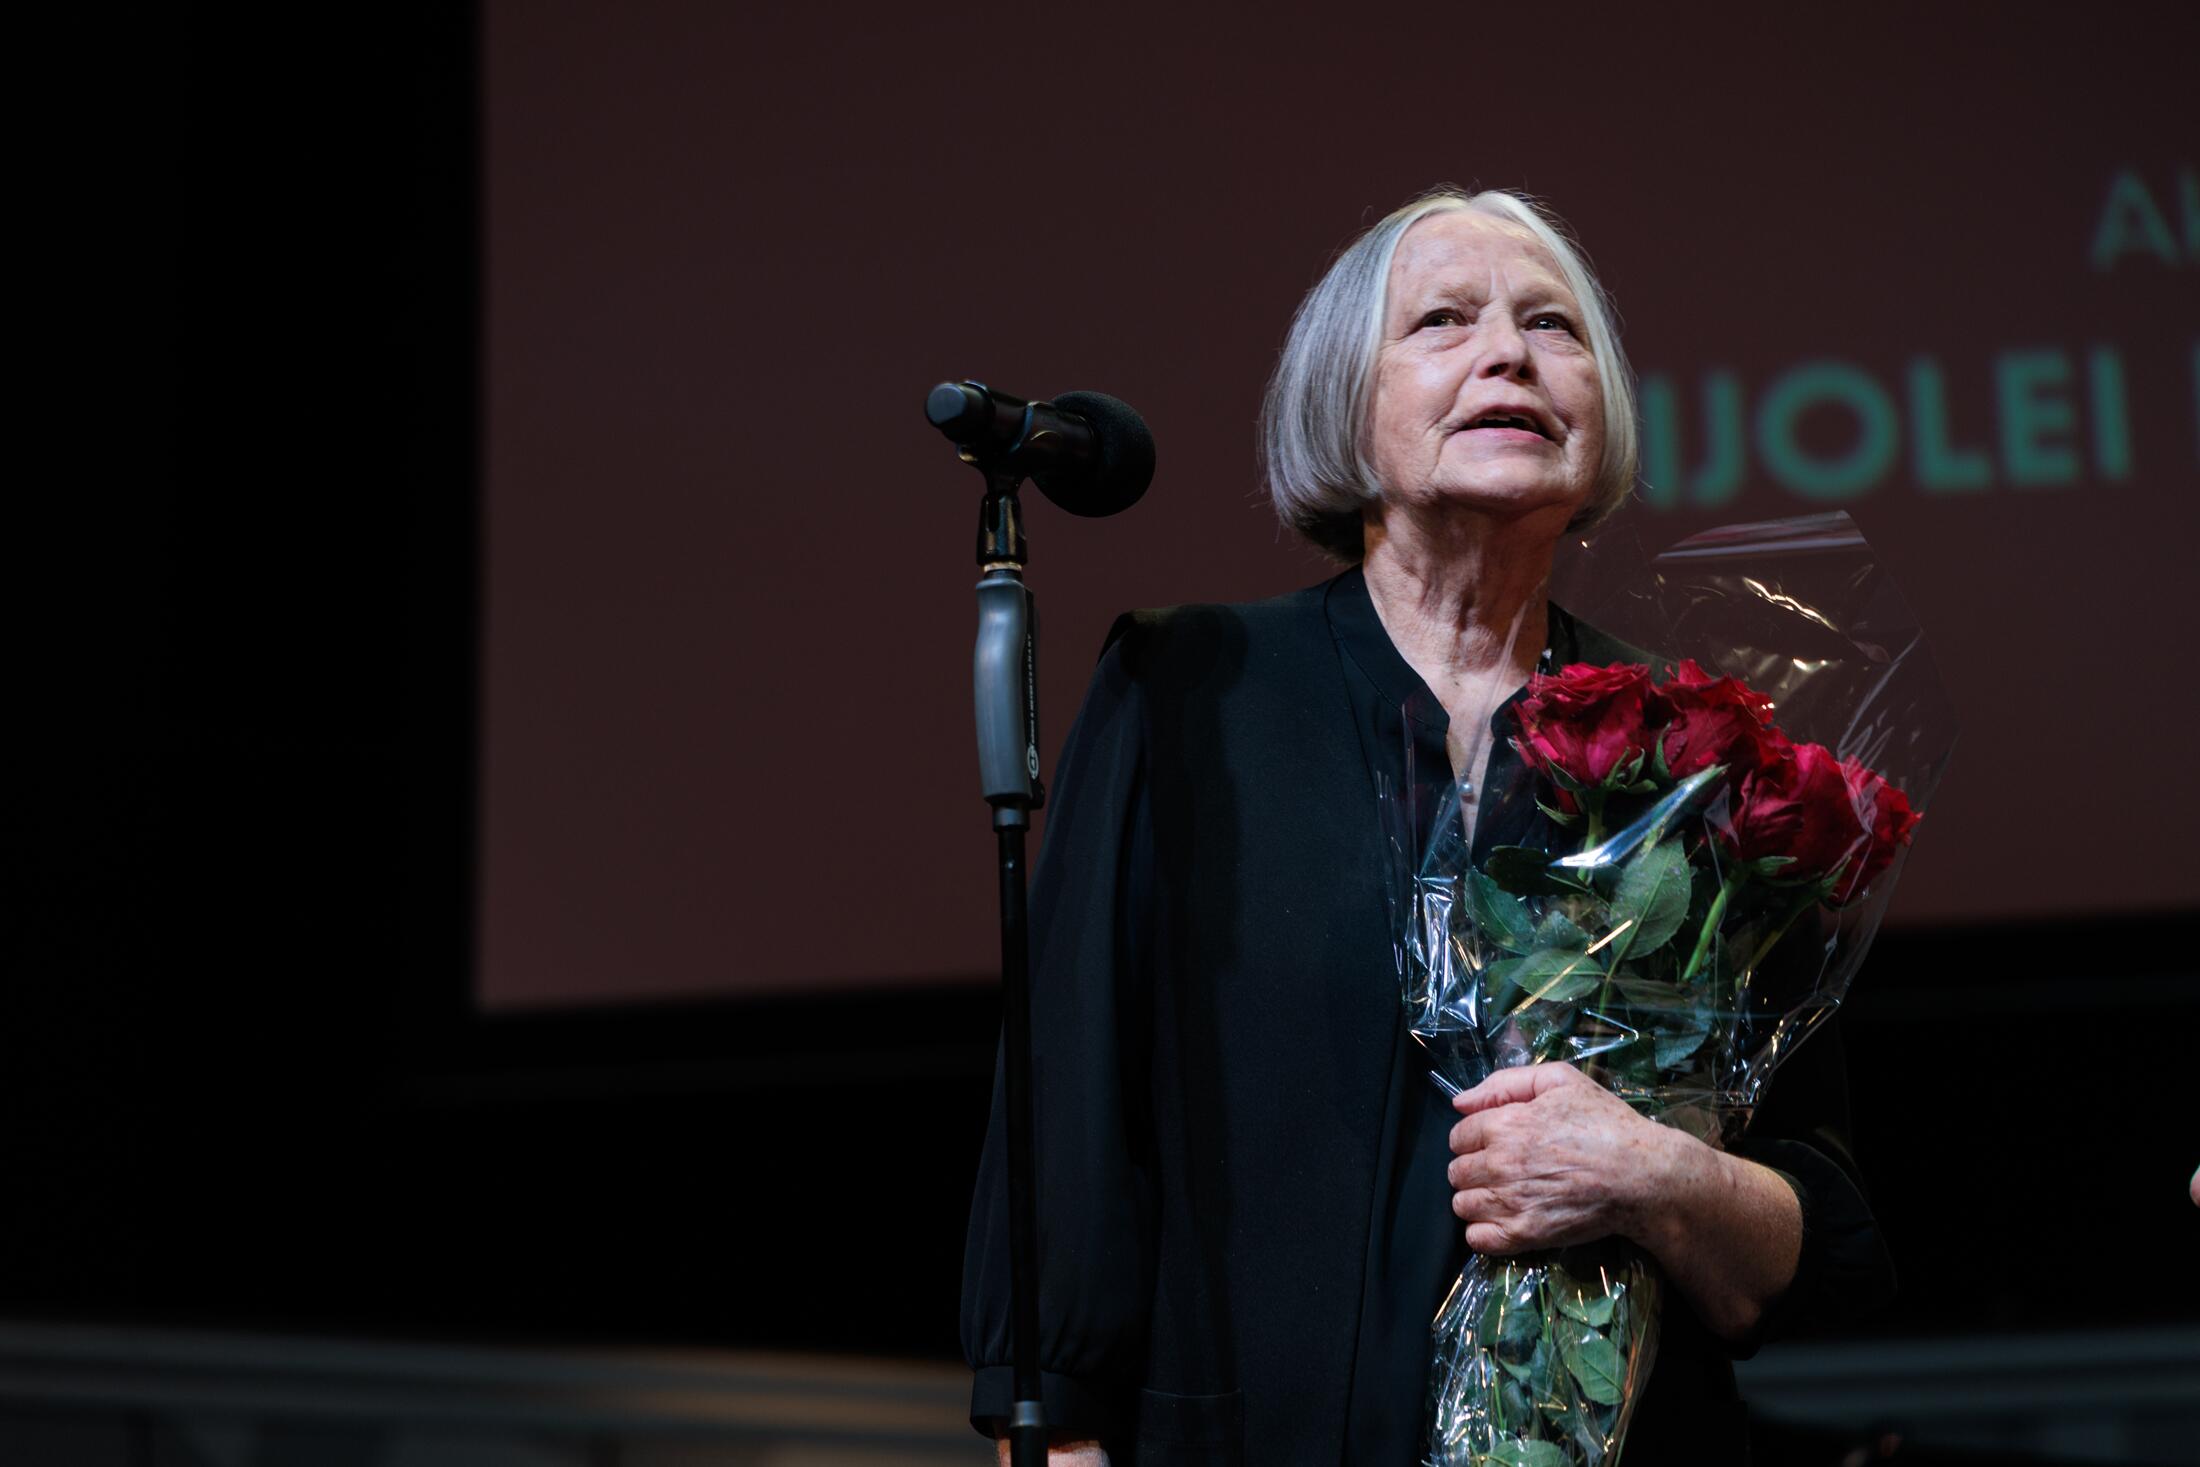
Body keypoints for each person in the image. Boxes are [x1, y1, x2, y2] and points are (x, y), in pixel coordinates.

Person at [962, 187, 1895, 1466]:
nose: (1508, 353)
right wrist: (1058, 1444)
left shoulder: (1696, 758)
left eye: (1551, 326)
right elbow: (1068, 1126)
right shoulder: (1187, 692)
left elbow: (1817, 1256)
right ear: (1346, 403)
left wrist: (1648, 1173)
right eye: (1443, 321)